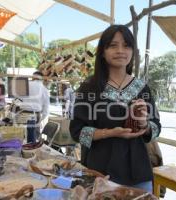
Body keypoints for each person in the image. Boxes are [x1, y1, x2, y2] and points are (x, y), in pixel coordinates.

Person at [69, 24, 161, 193]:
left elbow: (156, 129)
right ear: (103, 52)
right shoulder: (89, 87)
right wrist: (110, 133)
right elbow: (77, 132)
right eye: (113, 45)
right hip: (101, 174)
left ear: (133, 51)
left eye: (126, 45)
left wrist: (145, 125)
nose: (120, 50)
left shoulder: (142, 88)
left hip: (139, 174)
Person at [18, 71, 50, 142]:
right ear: (41, 79)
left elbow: (18, 100)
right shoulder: (44, 89)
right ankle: (30, 151)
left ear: (33, 77)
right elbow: (46, 108)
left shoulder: (25, 85)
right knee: (32, 139)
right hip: (34, 115)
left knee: (19, 136)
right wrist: (41, 119)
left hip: (22, 115)